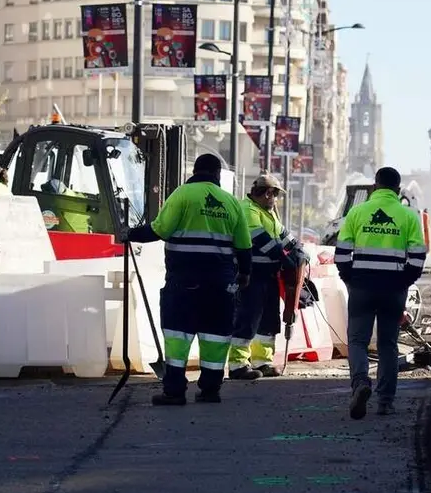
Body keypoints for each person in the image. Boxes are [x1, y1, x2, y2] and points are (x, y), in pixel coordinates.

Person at [121, 154, 252, 405]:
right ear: (217, 175)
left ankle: (174, 391)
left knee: (177, 334)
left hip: (185, 280)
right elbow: (244, 247)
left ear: (195, 171)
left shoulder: (182, 195)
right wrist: (244, 274)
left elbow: (159, 230)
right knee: (216, 335)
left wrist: (130, 233)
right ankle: (211, 390)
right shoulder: (230, 202)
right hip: (221, 283)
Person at [335, 166, 427, 419]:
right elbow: (418, 256)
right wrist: (405, 281)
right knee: (388, 344)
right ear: (398, 190)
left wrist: (349, 279)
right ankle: (385, 401)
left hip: (362, 286)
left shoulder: (358, 212)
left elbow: (342, 253)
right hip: (393, 289)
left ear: (374, 187)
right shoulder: (408, 216)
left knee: (357, 341)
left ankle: (361, 383)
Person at [228, 174, 306, 380]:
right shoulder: (247, 210)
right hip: (251, 274)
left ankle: (262, 362)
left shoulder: (267, 213)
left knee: (268, 320)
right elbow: (261, 239)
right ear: (268, 193)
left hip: (268, 275)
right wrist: (284, 257)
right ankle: (238, 365)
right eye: (275, 195)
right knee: (247, 318)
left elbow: (284, 236)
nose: (276, 200)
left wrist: (298, 249)